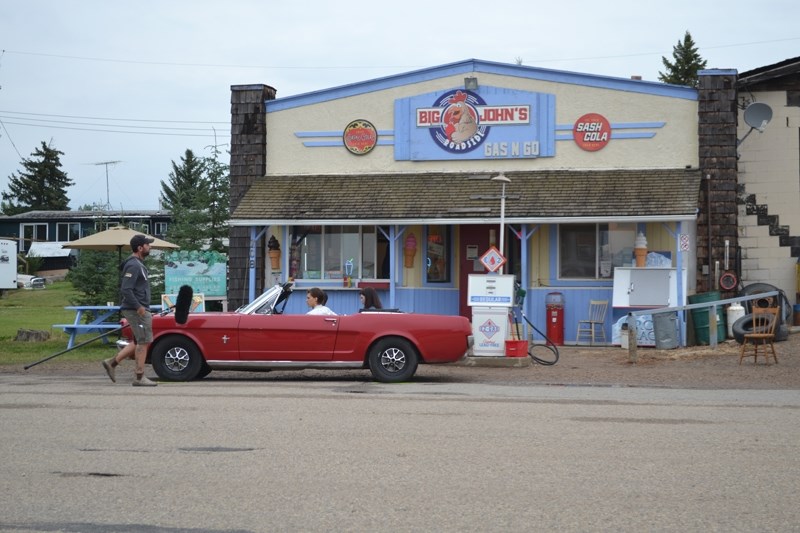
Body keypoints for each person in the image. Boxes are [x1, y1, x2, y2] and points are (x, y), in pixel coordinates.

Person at [102, 234, 158, 386]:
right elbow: (126, 289)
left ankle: (112, 363)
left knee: (138, 340)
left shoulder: (138, 264)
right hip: (136, 309)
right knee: (144, 341)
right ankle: (139, 377)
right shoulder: (134, 265)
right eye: (148, 244)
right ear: (140, 248)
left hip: (139, 308)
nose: (150, 247)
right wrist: (139, 308)